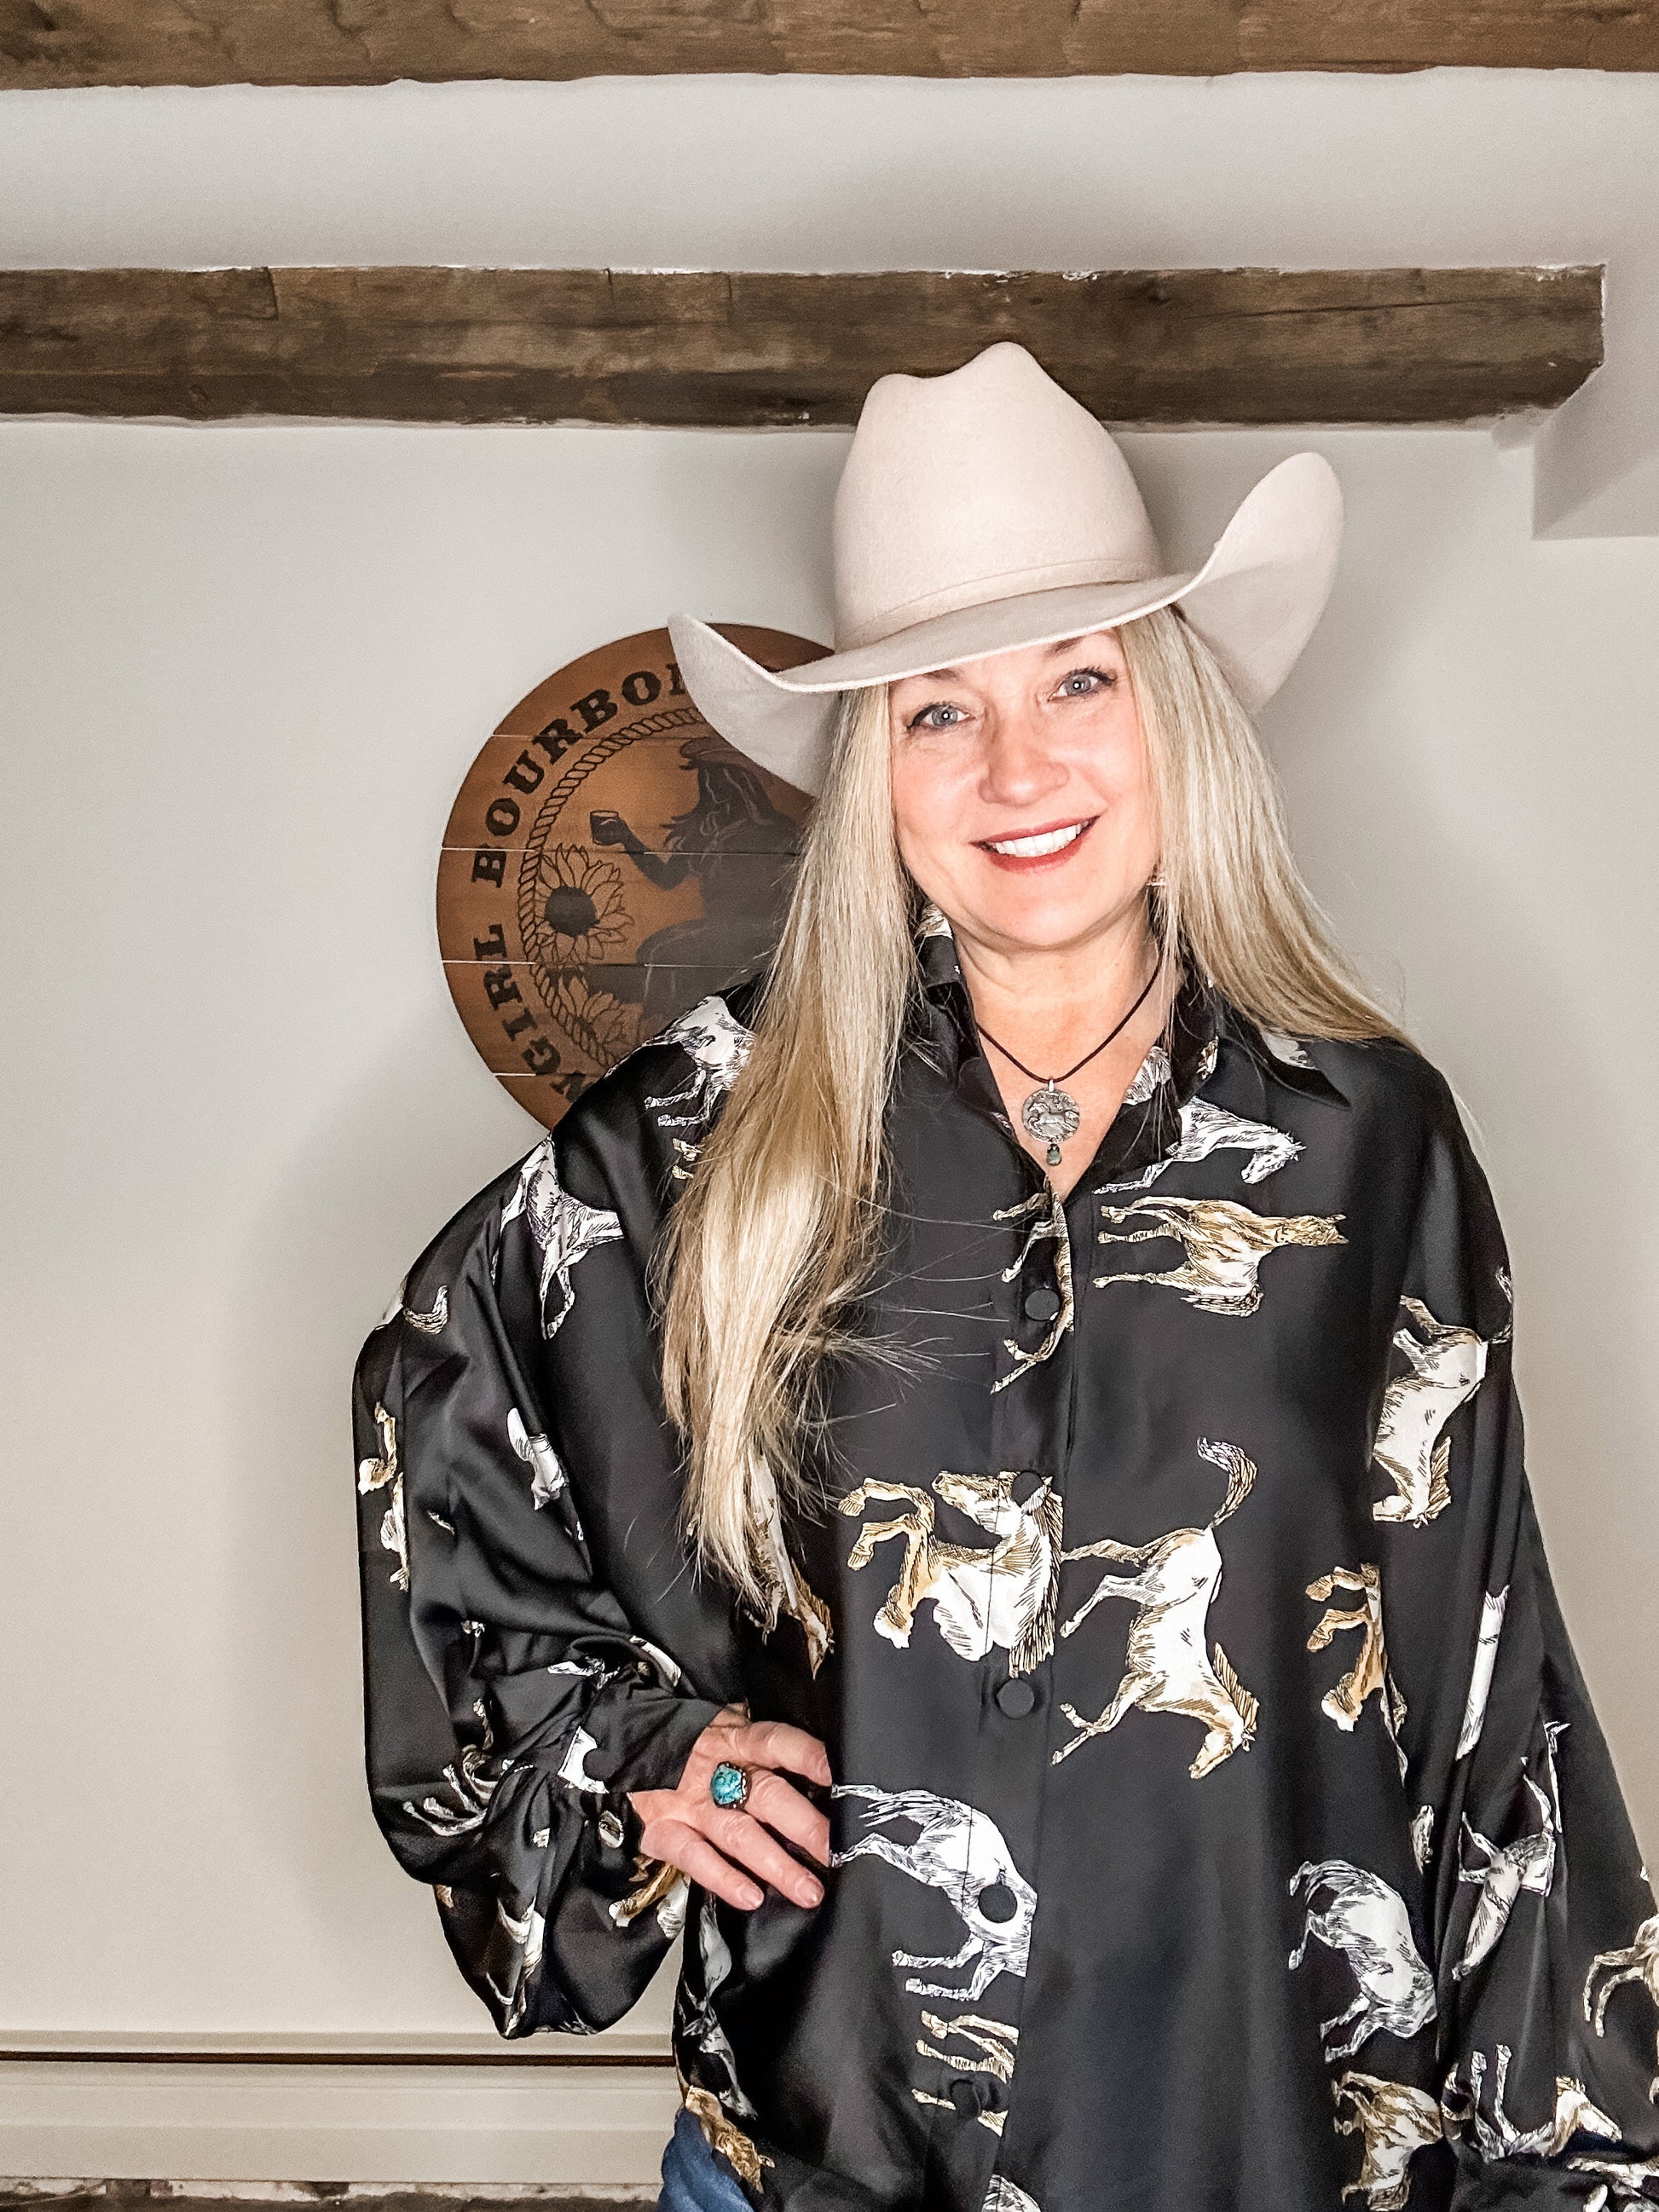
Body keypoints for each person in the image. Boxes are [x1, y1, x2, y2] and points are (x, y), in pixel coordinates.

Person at [352, 343, 1659, 2212]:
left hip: (1264, 2140)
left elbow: (1479, 1686)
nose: (1018, 766)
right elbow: (441, 1425)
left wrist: (1570, 2165)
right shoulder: (710, 1139)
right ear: (876, 769)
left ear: (1174, 715)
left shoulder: (1363, 1140)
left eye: (1075, 679)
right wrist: (637, 1755)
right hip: (824, 2152)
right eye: (935, 711)